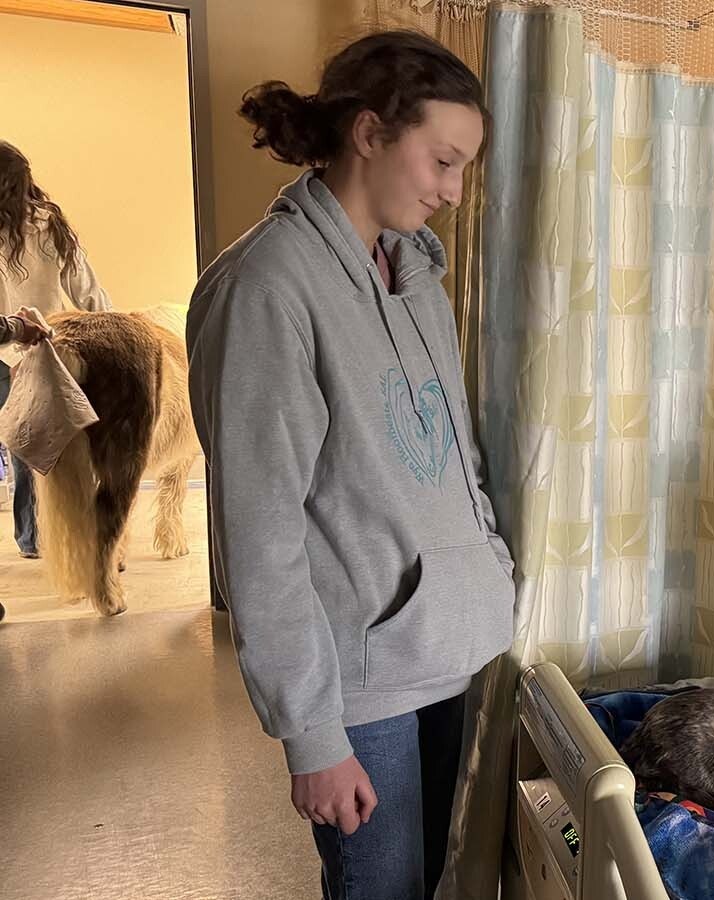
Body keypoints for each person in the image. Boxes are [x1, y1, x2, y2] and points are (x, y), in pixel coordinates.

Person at [186, 31, 514, 900]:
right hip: (361, 687)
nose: (452, 191)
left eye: (462, 169)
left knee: (428, 880)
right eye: (442, 161)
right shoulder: (269, 287)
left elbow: (451, 457)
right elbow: (257, 532)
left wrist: (491, 572)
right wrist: (312, 735)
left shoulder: (417, 277)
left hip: (446, 648)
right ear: (369, 134)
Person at [0, 142, 111, 559]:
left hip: (8, 353)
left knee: (23, 447)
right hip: (58, 346)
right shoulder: (51, 224)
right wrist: (111, 328)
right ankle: (75, 530)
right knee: (72, 444)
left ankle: (32, 537)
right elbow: (89, 290)